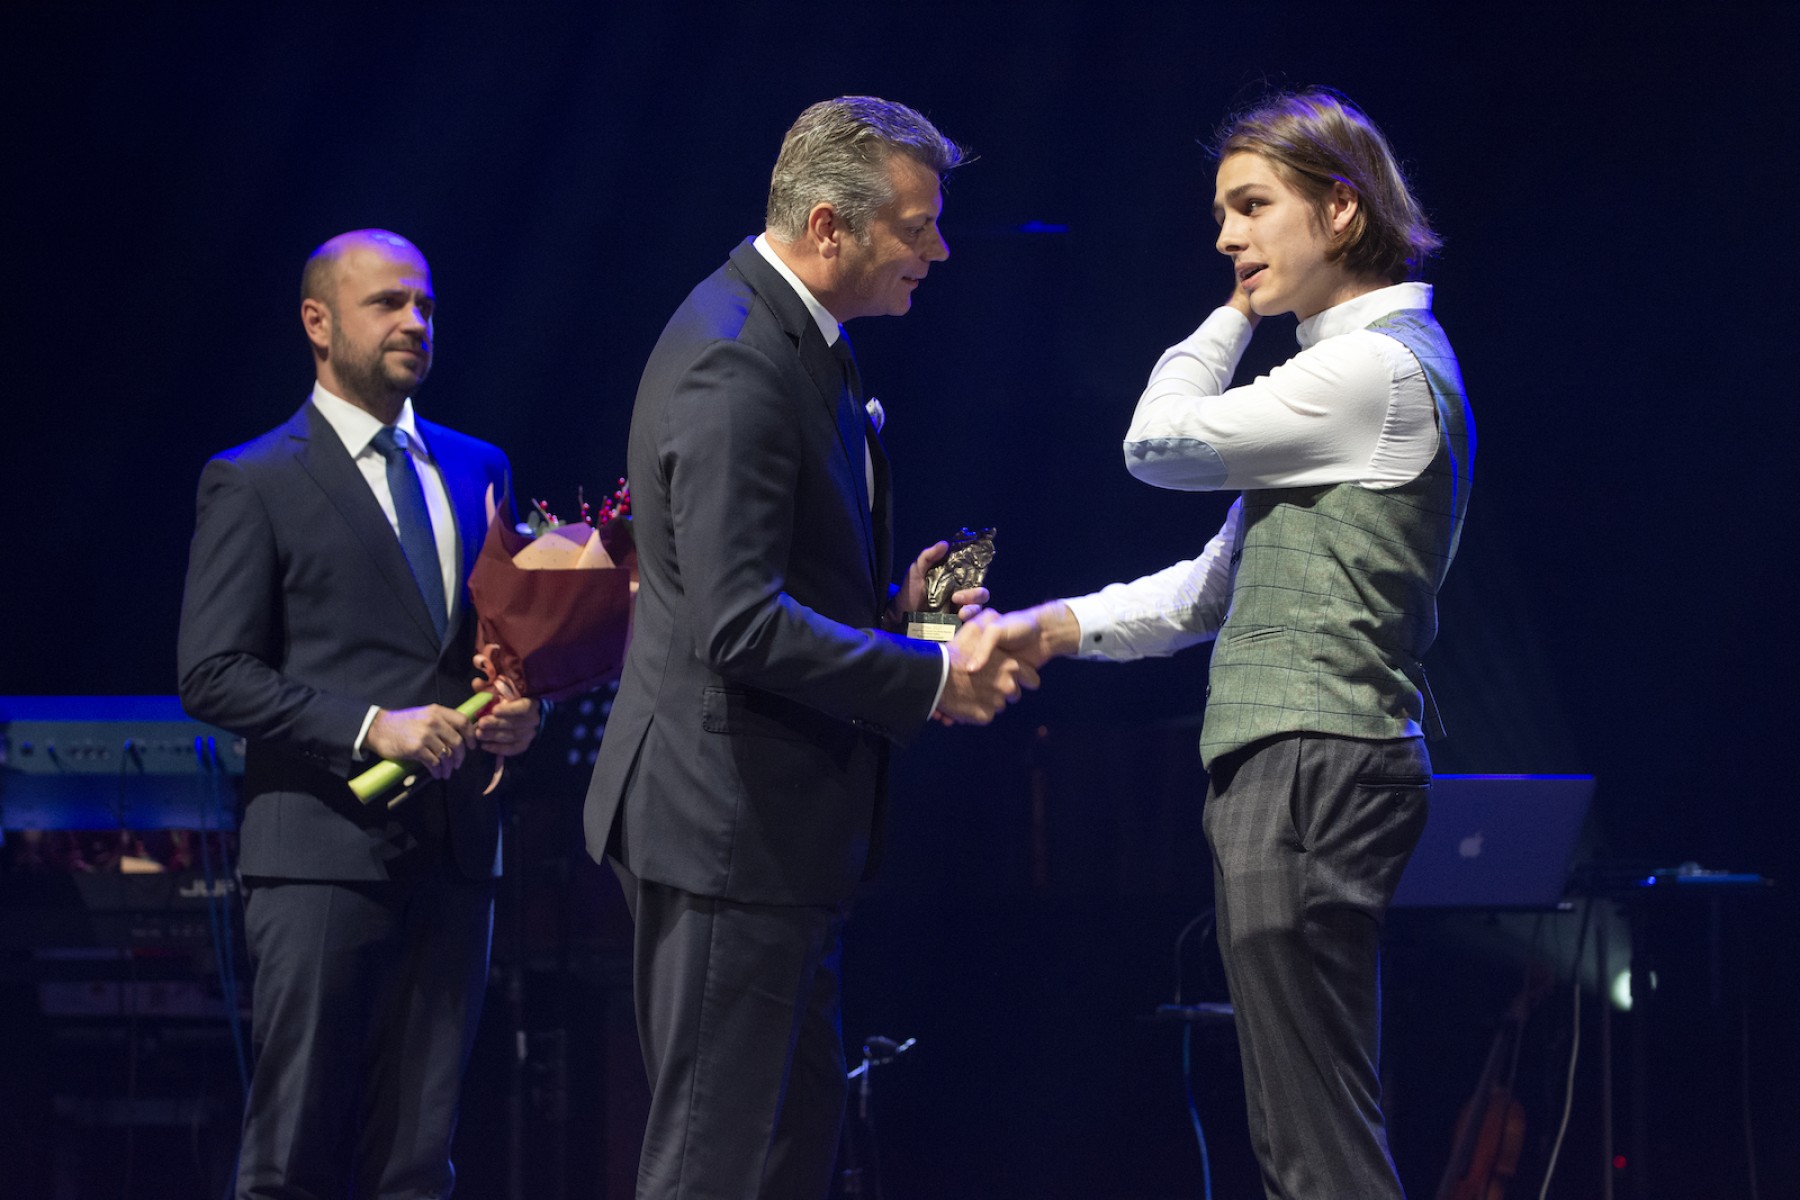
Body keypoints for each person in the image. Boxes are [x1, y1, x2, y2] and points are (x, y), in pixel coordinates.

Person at [989, 91, 1474, 1199]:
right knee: (1305, 1126)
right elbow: (1219, 586)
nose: (1225, 237)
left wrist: (1229, 320)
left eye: (1252, 206)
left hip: (1314, 756)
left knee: (1315, 1142)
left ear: (1341, 209)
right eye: (1222, 214)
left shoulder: (1370, 370)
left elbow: (1156, 441)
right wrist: (1050, 627)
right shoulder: (1349, 376)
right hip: (1300, 759)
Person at [583, 96, 1036, 1199]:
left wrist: (894, 612)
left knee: (787, 1153)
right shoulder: (735, 359)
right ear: (830, 227)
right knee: (716, 1166)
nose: (940, 250)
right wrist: (932, 675)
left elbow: (768, 586)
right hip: (725, 830)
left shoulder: (796, 338)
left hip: (775, 835)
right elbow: (737, 623)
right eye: (918, 226)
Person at [178, 228, 541, 1199]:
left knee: (418, 1164)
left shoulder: (479, 467)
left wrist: (521, 713)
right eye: (387, 303)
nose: (414, 322)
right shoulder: (255, 478)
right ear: (318, 321)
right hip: (319, 855)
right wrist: (370, 725)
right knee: (292, 1155)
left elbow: (502, 648)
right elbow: (211, 672)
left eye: (425, 305)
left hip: (456, 855)